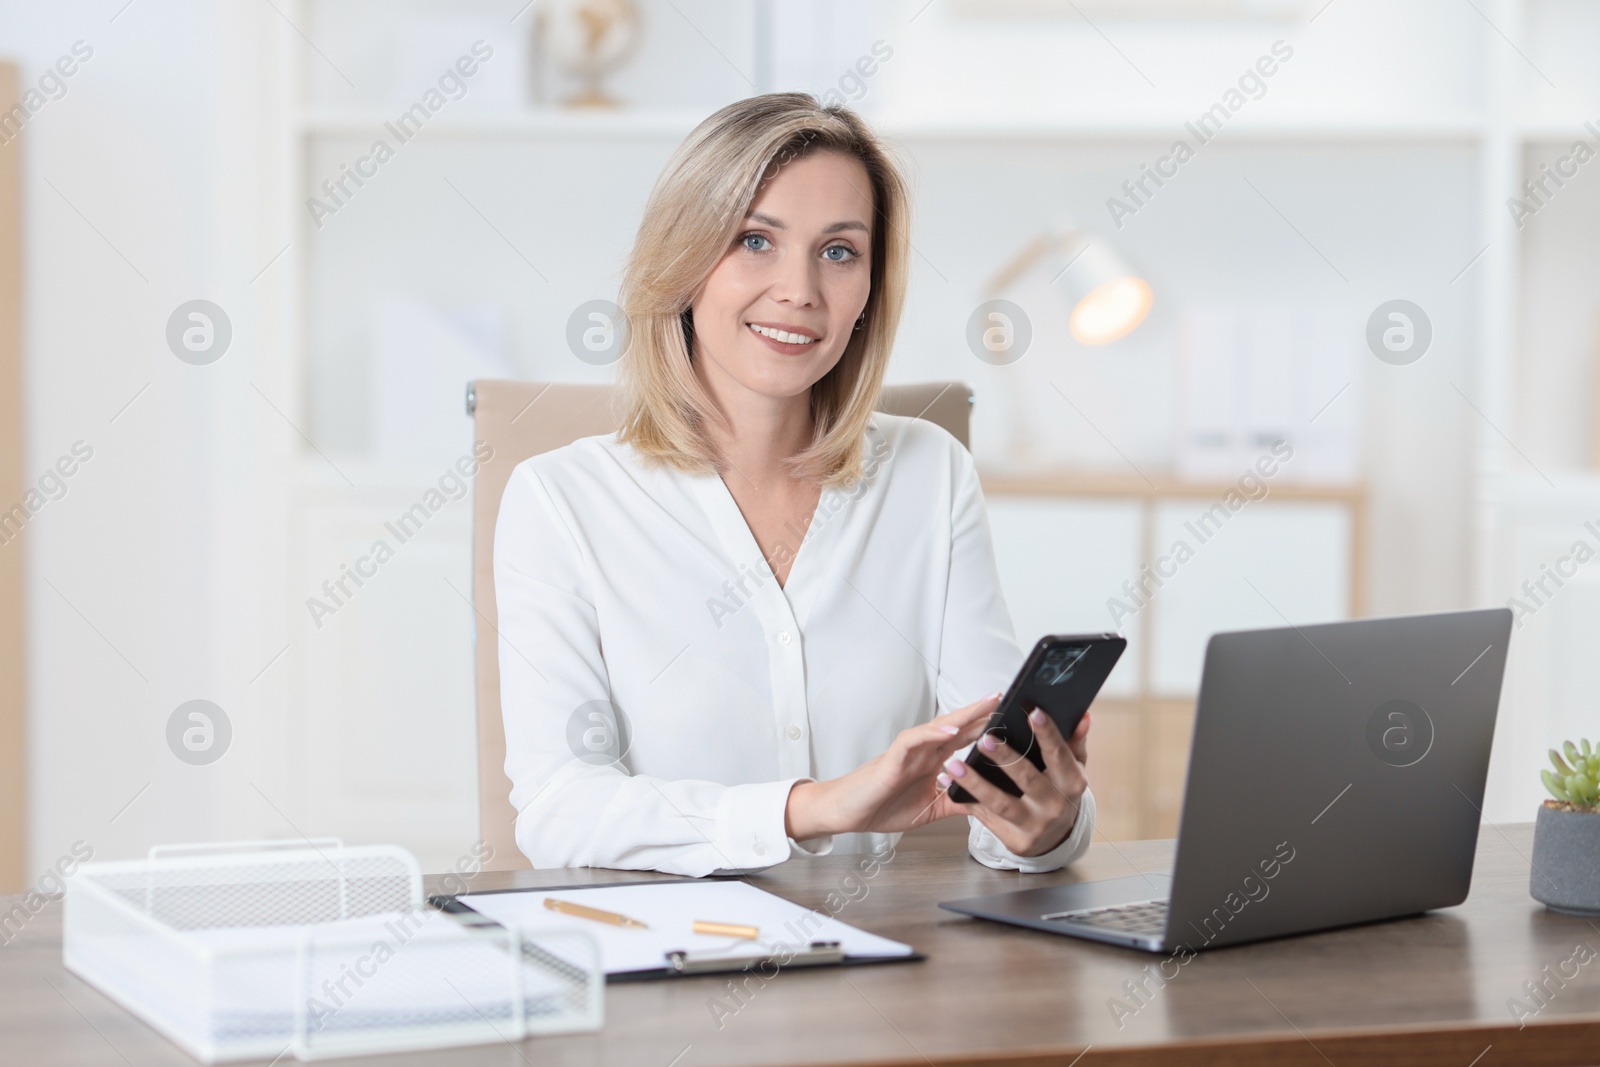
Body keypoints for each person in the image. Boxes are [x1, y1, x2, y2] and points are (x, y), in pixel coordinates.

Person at [495, 92, 1096, 878]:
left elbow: (993, 782)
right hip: (671, 969)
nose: (800, 290)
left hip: (889, 973)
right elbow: (559, 808)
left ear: (871, 289)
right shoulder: (560, 501)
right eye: (754, 241)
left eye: (839, 251)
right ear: (683, 263)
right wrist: (814, 806)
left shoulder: (930, 472)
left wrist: (1045, 823)